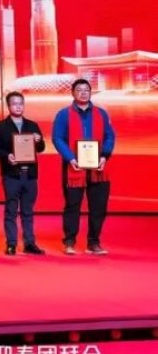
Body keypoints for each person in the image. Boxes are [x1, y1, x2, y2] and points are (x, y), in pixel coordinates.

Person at [53, 79, 115, 256]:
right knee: (72, 206)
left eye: (86, 90)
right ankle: (69, 241)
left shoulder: (101, 114)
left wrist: (104, 156)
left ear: (90, 92)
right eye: (79, 90)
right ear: (72, 93)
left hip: (98, 167)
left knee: (98, 206)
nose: (83, 93)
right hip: (73, 166)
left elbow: (110, 136)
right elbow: (57, 138)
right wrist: (70, 158)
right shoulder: (63, 114)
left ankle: (93, 242)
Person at [0, 92, 46, 256]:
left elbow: (41, 148)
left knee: (28, 211)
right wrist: (7, 156)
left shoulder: (32, 125)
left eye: (21, 103)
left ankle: (30, 243)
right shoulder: (0, 126)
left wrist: (38, 141)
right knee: (11, 210)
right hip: (11, 174)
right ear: (8, 106)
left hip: (30, 175)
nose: (18, 106)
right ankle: (11, 244)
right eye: (14, 103)